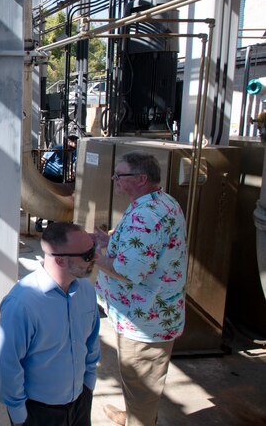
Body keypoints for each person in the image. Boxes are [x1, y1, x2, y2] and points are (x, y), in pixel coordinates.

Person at [93, 151, 187, 426]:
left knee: (142, 383)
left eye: (120, 174)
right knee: (138, 384)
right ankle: (135, 414)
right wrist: (107, 241)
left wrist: (93, 255)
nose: (114, 179)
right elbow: (141, 251)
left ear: (141, 178)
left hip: (146, 321)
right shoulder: (161, 202)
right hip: (153, 313)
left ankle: (140, 419)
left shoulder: (145, 216)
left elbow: (128, 270)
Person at [0, 222, 100, 426]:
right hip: (38, 413)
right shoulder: (22, 304)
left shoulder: (86, 291)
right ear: (60, 260)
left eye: (93, 248)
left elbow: (91, 343)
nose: (95, 257)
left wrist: (88, 384)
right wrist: (19, 415)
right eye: (88, 255)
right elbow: (8, 365)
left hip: (80, 402)